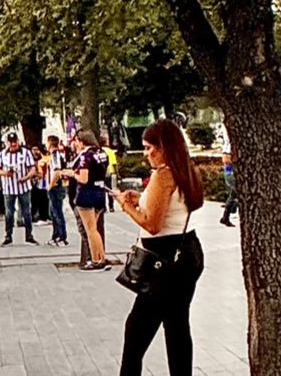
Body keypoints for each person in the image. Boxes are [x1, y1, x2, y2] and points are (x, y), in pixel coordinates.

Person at [113, 119, 206, 376]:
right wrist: (140, 199)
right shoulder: (186, 168)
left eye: (148, 148)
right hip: (187, 249)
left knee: (136, 331)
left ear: (163, 147)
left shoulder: (163, 174)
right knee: (177, 326)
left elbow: (151, 224)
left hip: (162, 260)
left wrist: (125, 204)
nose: (146, 154)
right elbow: (174, 206)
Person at [57, 130, 110, 271]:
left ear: (81, 141)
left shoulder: (85, 156)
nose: (74, 144)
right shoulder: (101, 153)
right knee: (96, 229)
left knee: (90, 230)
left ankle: (94, 259)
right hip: (99, 192)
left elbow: (84, 178)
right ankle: (101, 257)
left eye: (76, 141)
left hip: (86, 194)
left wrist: (72, 173)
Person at [0, 133, 38, 246]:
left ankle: (29, 235)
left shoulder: (26, 153)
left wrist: (26, 177)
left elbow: (32, 168)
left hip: (24, 187)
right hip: (9, 188)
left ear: (18, 141)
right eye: (10, 142)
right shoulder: (2, 154)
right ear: (7, 142)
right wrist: (5, 173)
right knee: (9, 213)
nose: (13, 144)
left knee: (27, 212)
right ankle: (8, 236)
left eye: (14, 142)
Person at [44, 136, 70, 246]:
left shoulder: (55, 155)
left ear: (49, 143)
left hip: (56, 187)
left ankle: (61, 236)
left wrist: (50, 185)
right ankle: (55, 235)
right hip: (57, 186)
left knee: (57, 211)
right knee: (53, 212)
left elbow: (57, 171)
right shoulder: (57, 155)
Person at [220, 151, 238, 227]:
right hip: (230, 175)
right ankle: (230, 212)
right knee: (237, 194)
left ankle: (225, 217)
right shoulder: (227, 149)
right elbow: (226, 160)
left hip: (230, 175)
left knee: (233, 195)